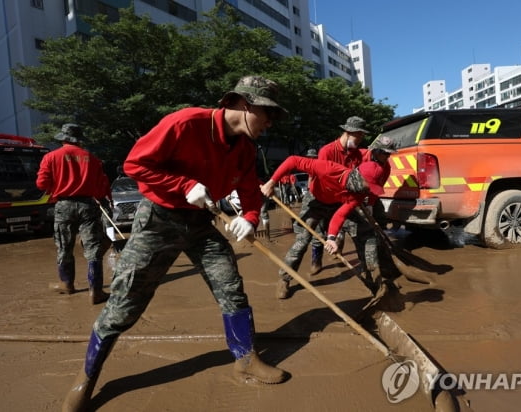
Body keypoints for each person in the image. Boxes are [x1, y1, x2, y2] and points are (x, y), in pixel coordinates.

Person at [62, 75, 289, 412]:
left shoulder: (244, 149)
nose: (269, 123)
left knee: (231, 287)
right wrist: (183, 184)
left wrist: (250, 218)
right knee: (125, 303)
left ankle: (245, 358)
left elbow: (252, 194)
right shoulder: (186, 123)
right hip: (158, 220)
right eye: (267, 114)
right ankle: (87, 376)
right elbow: (134, 164)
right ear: (244, 104)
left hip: (201, 224)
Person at [261, 155, 387, 299]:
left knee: (366, 233)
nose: (369, 191)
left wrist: (331, 238)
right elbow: (292, 160)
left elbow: (340, 215)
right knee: (303, 239)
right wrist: (272, 182)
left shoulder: (358, 192)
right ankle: (284, 279)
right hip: (316, 200)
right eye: (369, 186)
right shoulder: (329, 169)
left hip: (337, 204)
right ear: (359, 178)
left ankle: (373, 279)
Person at [36, 123, 112, 305]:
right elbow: (102, 187)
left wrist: (59, 186)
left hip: (64, 205)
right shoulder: (92, 159)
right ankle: (96, 291)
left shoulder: (51, 157)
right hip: (88, 205)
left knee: (64, 245)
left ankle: (67, 284)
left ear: (63, 138)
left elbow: (41, 184)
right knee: (93, 248)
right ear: (79, 140)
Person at [308, 116, 368, 276]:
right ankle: (315, 261)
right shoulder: (326, 151)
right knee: (318, 232)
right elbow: (323, 180)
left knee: (356, 228)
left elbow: (354, 178)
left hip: (341, 198)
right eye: (359, 135)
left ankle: (368, 267)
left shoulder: (357, 155)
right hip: (321, 197)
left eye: (362, 136)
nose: (361, 140)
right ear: (348, 132)